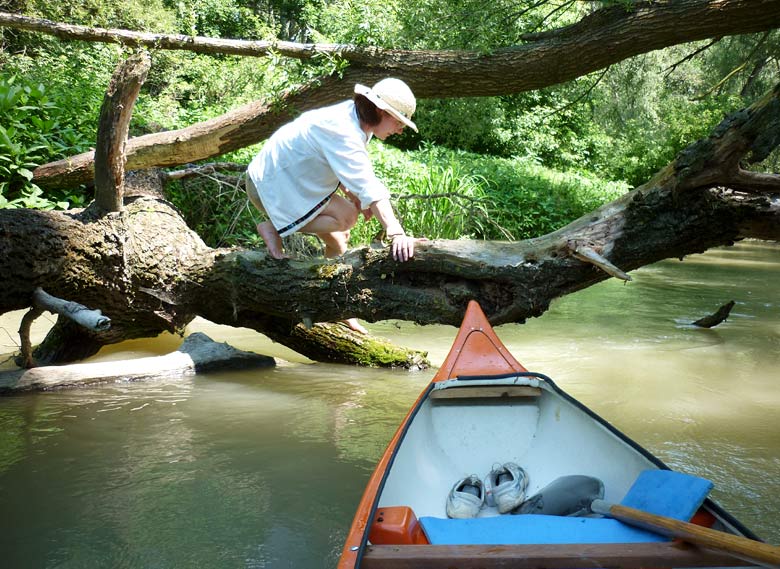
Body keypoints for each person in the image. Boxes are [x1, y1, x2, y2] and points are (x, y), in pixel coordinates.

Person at [245, 77, 422, 332]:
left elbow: (335, 165)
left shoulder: (355, 122)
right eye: (399, 122)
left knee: (338, 243)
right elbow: (369, 185)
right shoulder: (344, 129)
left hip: (285, 183)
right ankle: (273, 227)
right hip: (268, 186)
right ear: (382, 112)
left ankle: (338, 308)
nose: (400, 129)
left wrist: (353, 193)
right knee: (347, 218)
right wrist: (396, 232)